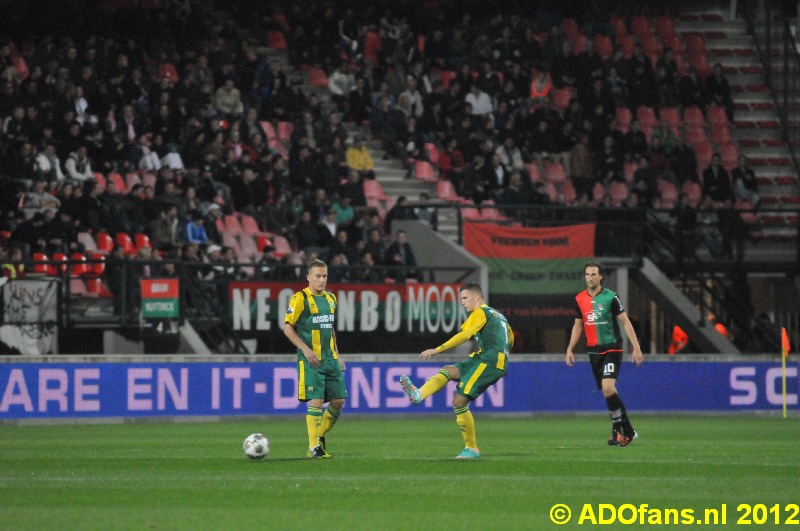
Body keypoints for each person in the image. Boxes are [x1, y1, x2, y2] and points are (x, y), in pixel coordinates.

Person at [399, 283, 514, 459]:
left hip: (489, 361)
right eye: (461, 299)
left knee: (459, 401)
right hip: (485, 357)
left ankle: (472, 449)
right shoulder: (499, 316)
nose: (462, 302)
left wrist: (437, 349)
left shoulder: (481, 312)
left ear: (477, 298)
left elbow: (464, 335)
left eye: (465, 298)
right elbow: (510, 341)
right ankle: (419, 394)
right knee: (449, 370)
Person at [565, 262, 644, 447]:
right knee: (608, 393)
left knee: (608, 387)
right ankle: (629, 431)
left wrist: (636, 347)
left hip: (612, 348)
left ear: (601, 277)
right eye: (587, 274)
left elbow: (625, 322)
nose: (590, 277)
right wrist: (570, 348)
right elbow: (578, 326)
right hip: (594, 351)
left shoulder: (611, 297)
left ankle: (617, 430)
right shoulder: (579, 299)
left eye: (593, 274)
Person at [283, 259, 347, 459]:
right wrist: (306, 349)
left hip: (330, 358)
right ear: (308, 277)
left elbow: (330, 329)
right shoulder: (299, 298)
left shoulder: (331, 298)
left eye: (324, 276)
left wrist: (337, 355)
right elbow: (287, 327)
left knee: (338, 401)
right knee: (317, 400)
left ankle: (318, 436)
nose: (321, 280)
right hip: (311, 360)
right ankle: (313, 447)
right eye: (317, 276)